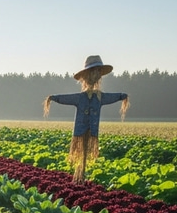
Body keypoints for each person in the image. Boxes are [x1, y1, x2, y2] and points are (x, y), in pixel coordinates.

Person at [44, 55, 129, 183]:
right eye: (93, 72)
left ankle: (80, 178)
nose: (96, 75)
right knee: (79, 154)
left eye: (98, 72)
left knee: (86, 154)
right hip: (80, 131)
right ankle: (78, 177)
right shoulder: (81, 97)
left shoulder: (100, 97)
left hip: (92, 130)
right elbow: (66, 98)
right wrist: (54, 98)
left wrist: (122, 96)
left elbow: (113, 97)